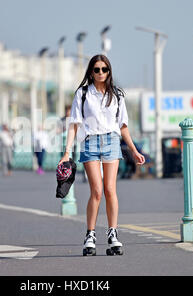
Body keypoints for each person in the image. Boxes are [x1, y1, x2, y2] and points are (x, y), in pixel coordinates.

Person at [59, 54, 145, 256]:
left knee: (110, 189)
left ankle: (113, 234)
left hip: (112, 142)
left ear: (109, 71)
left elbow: (123, 126)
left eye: (104, 69)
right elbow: (74, 125)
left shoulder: (117, 95)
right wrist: (66, 152)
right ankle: (90, 235)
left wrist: (134, 150)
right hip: (90, 142)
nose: (100, 73)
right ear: (91, 71)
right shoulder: (82, 94)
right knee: (96, 191)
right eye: (96, 69)